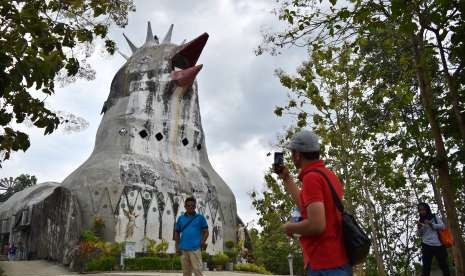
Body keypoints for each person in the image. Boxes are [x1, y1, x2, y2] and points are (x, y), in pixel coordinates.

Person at [274, 130, 351, 276]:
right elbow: (304, 205)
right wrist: (286, 177)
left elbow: (317, 225)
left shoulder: (311, 178)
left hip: (324, 264)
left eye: (292, 153)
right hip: (339, 260)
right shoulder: (328, 175)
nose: (292, 157)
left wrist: (290, 227)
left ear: (298, 155)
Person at [175, 197, 209, 276]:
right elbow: (176, 233)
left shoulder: (200, 218)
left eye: (192, 205)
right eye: (188, 205)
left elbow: (206, 232)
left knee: (198, 271)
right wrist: (177, 247)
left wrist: (202, 242)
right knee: (186, 272)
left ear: (195, 206)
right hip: (183, 248)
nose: (190, 207)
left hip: (195, 248)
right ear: (185, 206)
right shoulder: (180, 218)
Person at [417, 202, 450, 276]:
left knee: (444, 265)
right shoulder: (420, 221)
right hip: (426, 245)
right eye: (420, 210)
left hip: (439, 244)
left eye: (423, 209)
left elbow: (443, 226)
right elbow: (419, 234)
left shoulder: (434, 217)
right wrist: (419, 228)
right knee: (426, 267)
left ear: (427, 209)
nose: (422, 211)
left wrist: (431, 224)